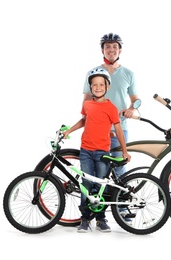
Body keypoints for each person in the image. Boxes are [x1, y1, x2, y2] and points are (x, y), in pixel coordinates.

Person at [62, 68, 131, 233]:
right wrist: (69, 131)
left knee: (101, 185)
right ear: (90, 87)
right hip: (86, 150)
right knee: (85, 184)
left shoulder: (111, 108)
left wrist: (124, 151)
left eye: (101, 84)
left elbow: (119, 130)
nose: (97, 87)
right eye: (94, 85)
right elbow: (84, 121)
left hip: (102, 153)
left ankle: (101, 219)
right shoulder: (88, 104)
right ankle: (85, 219)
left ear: (107, 86)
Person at [83, 32, 139, 177]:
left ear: (120, 50)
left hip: (119, 126)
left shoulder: (128, 74)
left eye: (115, 46)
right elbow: (86, 103)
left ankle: (118, 198)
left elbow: (135, 101)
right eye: (108, 47)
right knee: (97, 169)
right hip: (97, 129)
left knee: (119, 167)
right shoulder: (93, 73)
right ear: (103, 50)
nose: (111, 50)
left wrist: (130, 109)